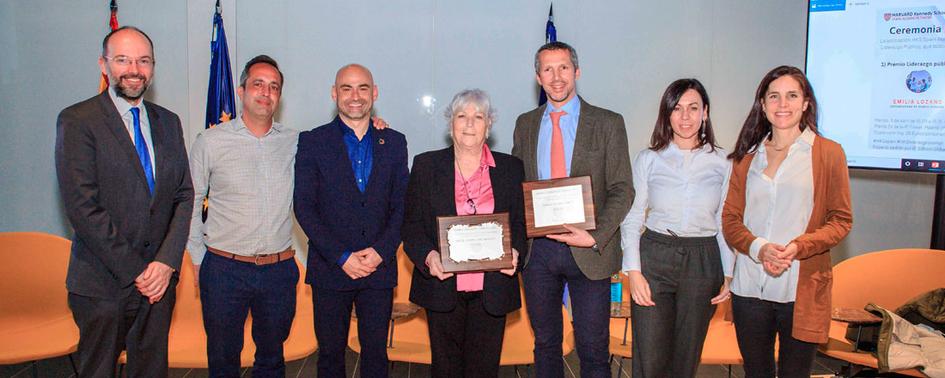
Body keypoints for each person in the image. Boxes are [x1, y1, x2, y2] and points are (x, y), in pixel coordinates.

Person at [55, 26, 194, 377]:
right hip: (102, 285)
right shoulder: (78, 121)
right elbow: (82, 208)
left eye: (143, 60)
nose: (134, 69)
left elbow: (183, 195)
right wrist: (138, 271)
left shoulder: (168, 122)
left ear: (153, 67)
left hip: (159, 286)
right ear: (104, 65)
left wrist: (164, 264)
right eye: (123, 59)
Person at [511, 41, 633, 378]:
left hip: (591, 252)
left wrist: (593, 236)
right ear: (538, 77)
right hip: (539, 253)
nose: (556, 77)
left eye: (563, 67)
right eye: (548, 69)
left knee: (593, 349)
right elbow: (516, 185)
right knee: (546, 344)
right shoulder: (525, 124)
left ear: (576, 71)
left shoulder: (608, 122)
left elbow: (623, 189)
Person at [722, 65, 853, 378]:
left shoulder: (828, 154)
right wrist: (761, 248)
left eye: (792, 96)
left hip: (801, 288)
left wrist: (798, 247)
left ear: (805, 102)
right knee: (757, 373)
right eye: (774, 97)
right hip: (750, 288)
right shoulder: (747, 156)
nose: (783, 104)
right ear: (763, 105)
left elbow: (840, 220)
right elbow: (730, 219)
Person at [187, 55, 299, 378]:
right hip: (224, 269)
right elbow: (191, 201)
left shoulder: (294, 142)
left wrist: (375, 125)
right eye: (258, 84)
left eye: (274, 87)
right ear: (240, 91)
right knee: (223, 360)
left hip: (278, 271)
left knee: (272, 360)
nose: (266, 92)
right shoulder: (210, 141)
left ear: (280, 96)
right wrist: (197, 257)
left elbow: (339, 145)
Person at [294, 64, 409, 378]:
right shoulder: (312, 141)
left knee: (375, 357)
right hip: (331, 269)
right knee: (330, 357)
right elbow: (304, 208)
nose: (354, 96)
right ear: (334, 94)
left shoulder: (394, 142)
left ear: (374, 93)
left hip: (378, 268)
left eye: (362, 88)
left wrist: (380, 252)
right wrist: (342, 257)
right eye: (346, 88)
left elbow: (402, 206)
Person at [402, 89, 527, 377]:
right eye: (462, 116)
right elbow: (411, 226)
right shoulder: (425, 166)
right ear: (450, 124)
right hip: (443, 288)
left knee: (484, 370)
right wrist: (428, 256)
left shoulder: (511, 168)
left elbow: (520, 225)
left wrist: (517, 252)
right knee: (445, 369)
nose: (469, 124)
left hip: (492, 289)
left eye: (478, 117)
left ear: (489, 125)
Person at [618, 78, 734, 378]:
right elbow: (632, 217)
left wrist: (730, 273)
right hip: (656, 255)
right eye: (678, 108)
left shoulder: (723, 162)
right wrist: (633, 271)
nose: (685, 117)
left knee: (686, 360)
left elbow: (724, 220)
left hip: (702, 260)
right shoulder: (648, 159)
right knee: (651, 360)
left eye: (693, 108)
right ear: (666, 114)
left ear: (705, 112)